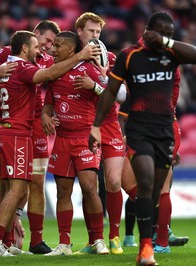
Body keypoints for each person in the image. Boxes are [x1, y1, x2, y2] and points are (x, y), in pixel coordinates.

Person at [89, 11, 196, 266]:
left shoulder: (171, 54)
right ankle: (146, 248)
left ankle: (151, 241)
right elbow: (109, 93)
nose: (165, 37)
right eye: (161, 32)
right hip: (139, 129)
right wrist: (96, 125)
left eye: (170, 34)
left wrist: (168, 42)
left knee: (153, 195)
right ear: (148, 30)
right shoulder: (130, 56)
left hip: (165, 129)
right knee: (146, 183)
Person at [0, 30, 98, 257]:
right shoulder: (23, 68)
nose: (42, 50)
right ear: (25, 48)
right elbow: (50, 73)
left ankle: (4, 243)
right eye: (38, 45)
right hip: (17, 135)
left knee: (7, 187)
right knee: (17, 188)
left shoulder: (6, 69)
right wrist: (81, 56)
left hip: (2, 132)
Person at [0, 20, 60, 254]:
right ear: (34, 37)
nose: (48, 47)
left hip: (19, 125)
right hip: (18, 129)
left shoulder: (43, 58)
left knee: (32, 182)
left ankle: (33, 240)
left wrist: (46, 111)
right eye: (45, 41)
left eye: (53, 44)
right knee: (13, 185)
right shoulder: (10, 57)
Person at [41, 31, 109, 256]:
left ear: (71, 49)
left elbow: (111, 97)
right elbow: (48, 104)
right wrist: (45, 116)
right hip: (62, 140)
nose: (52, 49)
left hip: (85, 138)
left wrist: (93, 86)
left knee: (90, 188)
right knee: (63, 192)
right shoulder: (54, 73)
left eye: (58, 45)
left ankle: (98, 240)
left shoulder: (89, 69)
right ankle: (64, 244)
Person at [119, 68, 189, 253]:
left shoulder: (168, 64)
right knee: (126, 180)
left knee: (161, 188)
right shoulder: (137, 59)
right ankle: (158, 224)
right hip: (141, 127)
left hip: (163, 127)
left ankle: (163, 241)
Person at [73, 12, 125, 255]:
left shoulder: (111, 59)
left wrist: (97, 83)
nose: (95, 36)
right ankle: (95, 240)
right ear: (80, 32)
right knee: (89, 186)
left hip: (109, 123)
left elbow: (122, 95)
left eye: (98, 32)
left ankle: (115, 236)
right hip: (83, 126)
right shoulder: (69, 58)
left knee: (114, 181)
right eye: (91, 31)